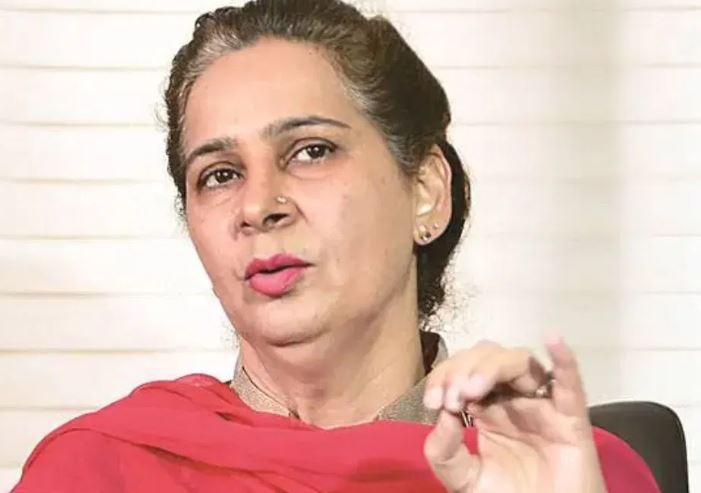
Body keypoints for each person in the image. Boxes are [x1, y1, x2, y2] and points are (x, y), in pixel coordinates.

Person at [12, 1, 660, 492]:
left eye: (311, 151)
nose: (258, 205)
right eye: (220, 174)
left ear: (425, 191)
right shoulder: (100, 470)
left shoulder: (579, 471)